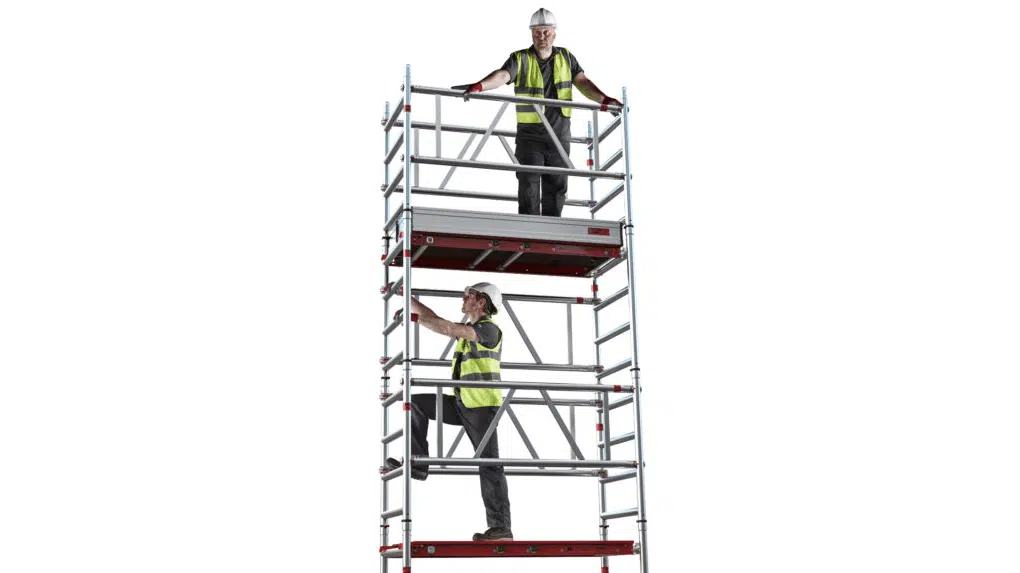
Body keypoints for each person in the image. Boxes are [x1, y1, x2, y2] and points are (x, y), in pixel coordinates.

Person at [453, 8, 623, 217]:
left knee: (557, 187)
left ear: (554, 33)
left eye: (545, 32)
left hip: (559, 136)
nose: (541, 37)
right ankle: (530, 229)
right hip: (530, 137)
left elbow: (583, 83)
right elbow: (503, 76)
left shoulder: (566, 57)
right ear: (531, 34)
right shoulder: (520, 58)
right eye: (537, 32)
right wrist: (480, 86)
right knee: (529, 186)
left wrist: (604, 100)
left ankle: (552, 230)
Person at [384, 282, 513, 541]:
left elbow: (447, 328)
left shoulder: (488, 329)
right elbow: (437, 320)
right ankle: (419, 464)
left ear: (482, 302)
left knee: (489, 465)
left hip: (481, 407)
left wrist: (414, 319)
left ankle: (501, 528)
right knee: (416, 403)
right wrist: (409, 299)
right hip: (462, 402)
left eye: (469, 296)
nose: (463, 299)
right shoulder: (471, 329)